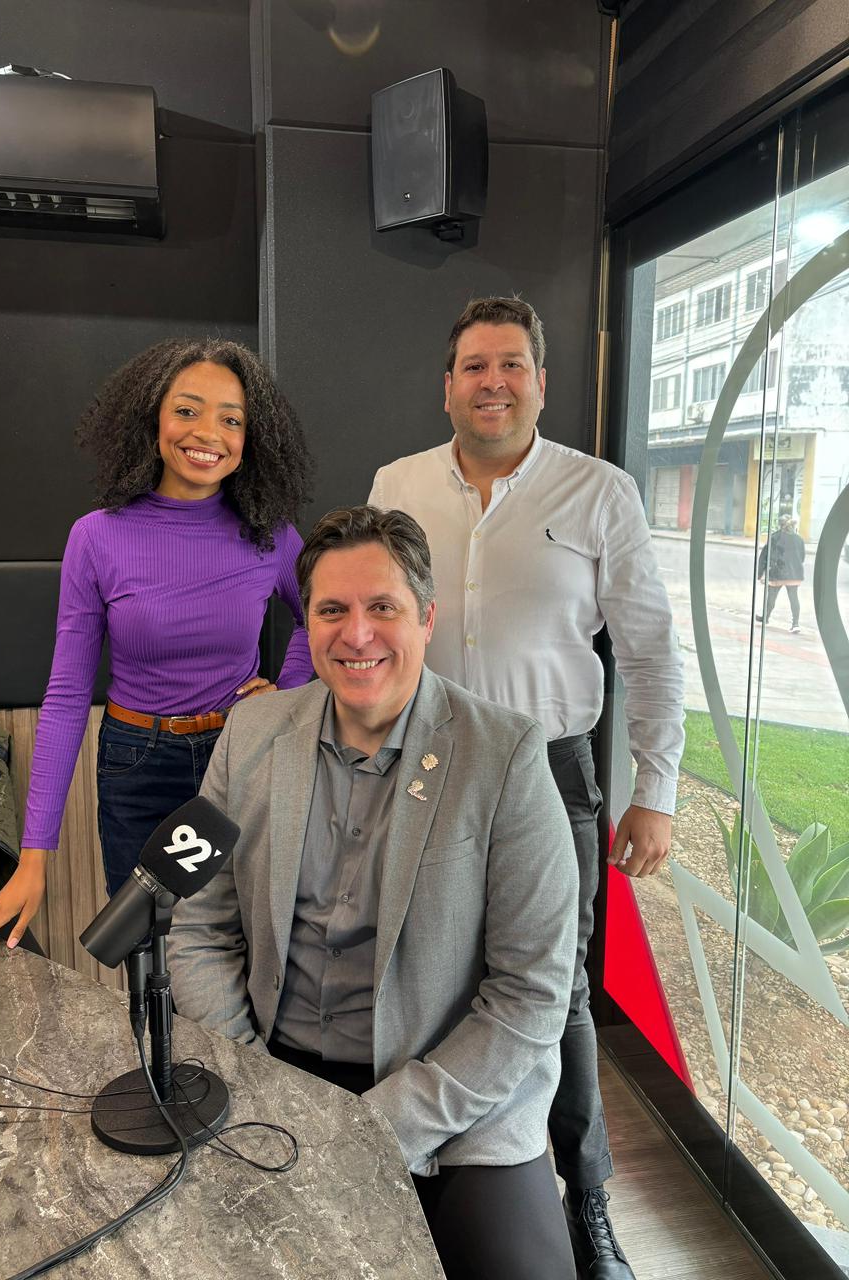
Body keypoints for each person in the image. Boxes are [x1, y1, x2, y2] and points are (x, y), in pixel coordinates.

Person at [168, 505, 579, 1280]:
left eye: (382, 607)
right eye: (332, 610)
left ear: (427, 618)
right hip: (275, 1074)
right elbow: (199, 930)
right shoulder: (250, 734)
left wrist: (379, 1125)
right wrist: (253, 1080)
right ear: (308, 624)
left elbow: (531, 994)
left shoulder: (507, 756)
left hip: (452, 1098)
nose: (356, 634)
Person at [368, 297, 685, 1280]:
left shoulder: (599, 492)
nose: (493, 382)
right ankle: (426, 1174)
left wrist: (657, 788)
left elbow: (649, 647)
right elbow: (371, 620)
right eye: (474, 365)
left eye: (511, 364)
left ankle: (585, 1199)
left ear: (541, 382)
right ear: (448, 386)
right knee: (421, 968)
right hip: (422, 765)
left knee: (557, 991)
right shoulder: (396, 484)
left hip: (550, 772)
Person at [0, 338, 314, 959]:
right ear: (152, 419)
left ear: (252, 438)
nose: (208, 433)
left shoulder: (270, 536)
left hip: (240, 756)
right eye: (187, 410)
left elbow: (321, 618)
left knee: (240, 948)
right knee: (143, 953)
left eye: (232, 419)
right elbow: (66, 696)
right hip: (138, 763)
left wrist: (287, 692)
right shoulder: (97, 537)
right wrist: (33, 858)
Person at [757, 515, 805, 633]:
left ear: (780, 525)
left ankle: (765, 618)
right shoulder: (799, 539)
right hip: (794, 574)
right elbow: (802, 557)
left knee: (771, 597)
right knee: (794, 598)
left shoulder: (775, 537)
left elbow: (765, 555)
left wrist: (760, 573)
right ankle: (795, 624)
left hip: (777, 573)